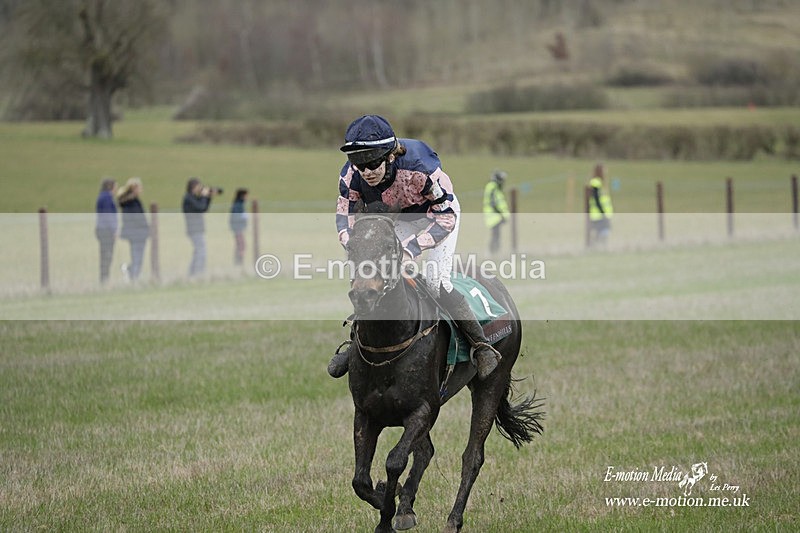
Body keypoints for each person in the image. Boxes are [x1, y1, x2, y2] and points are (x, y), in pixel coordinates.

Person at [328, 114, 502, 380]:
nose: (366, 171)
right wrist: (358, 249)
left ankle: (481, 346)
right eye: (359, 164)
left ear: (389, 156)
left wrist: (410, 249)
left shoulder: (419, 168)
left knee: (434, 281)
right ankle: (355, 345)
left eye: (373, 162)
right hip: (399, 218)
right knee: (374, 278)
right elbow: (345, 220)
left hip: (438, 215)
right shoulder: (350, 176)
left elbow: (445, 217)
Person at [182, 177, 218, 277]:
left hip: (198, 228)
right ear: (193, 187)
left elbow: (204, 208)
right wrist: (204, 196)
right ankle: (198, 273)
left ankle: (192, 274)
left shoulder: (193, 197)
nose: (201, 188)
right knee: (201, 252)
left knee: (198, 251)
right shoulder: (188, 198)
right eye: (199, 186)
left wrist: (209, 197)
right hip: (194, 229)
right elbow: (200, 207)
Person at [116, 177, 150, 281]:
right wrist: (146, 227)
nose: (141, 189)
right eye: (139, 187)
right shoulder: (131, 202)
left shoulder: (131, 201)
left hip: (137, 233)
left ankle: (131, 274)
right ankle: (133, 278)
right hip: (136, 234)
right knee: (137, 257)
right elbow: (137, 218)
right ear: (134, 188)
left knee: (138, 257)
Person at [94, 177, 118, 283]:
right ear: (110, 187)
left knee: (105, 255)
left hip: (101, 229)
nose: (116, 189)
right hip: (106, 231)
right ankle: (104, 279)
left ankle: (104, 278)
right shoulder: (107, 198)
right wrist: (114, 230)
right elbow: (109, 216)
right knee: (107, 255)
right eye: (115, 187)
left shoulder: (101, 197)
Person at [483, 170, 510, 255]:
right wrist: (501, 214)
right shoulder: (493, 187)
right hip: (494, 216)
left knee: (496, 235)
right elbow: (494, 202)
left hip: (495, 216)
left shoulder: (494, 187)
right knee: (495, 236)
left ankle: (494, 252)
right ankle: (493, 253)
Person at [588, 163, 614, 246]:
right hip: (599, 214)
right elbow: (596, 199)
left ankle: (597, 247)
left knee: (601, 233)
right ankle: (596, 248)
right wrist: (603, 212)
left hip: (602, 213)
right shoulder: (596, 182)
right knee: (602, 233)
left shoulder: (601, 183)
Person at [229, 188, 249, 266]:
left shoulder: (239, 204)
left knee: (241, 245)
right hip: (238, 229)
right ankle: (239, 263)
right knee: (241, 245)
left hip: (239, 228)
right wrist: (244, 217)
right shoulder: (237, 205)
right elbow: (235, 217)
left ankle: (238, 262)